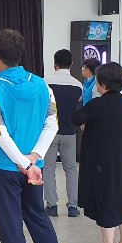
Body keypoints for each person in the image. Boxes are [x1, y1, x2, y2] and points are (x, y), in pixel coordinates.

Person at [0, 29, 66, 243]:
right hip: (34, 168)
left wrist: (23, 162)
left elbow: (0, 134)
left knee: (10, 225)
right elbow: (52, 124)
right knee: (37, 217)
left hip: (4, 168)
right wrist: (33, 158)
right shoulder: (43, 86)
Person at [72, 62, 122, 243]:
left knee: (105, 200)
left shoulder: (97, 104)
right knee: (121, 198)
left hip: (102, 161)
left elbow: (75, 118)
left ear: (103, 84)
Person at [43, 49, 83, 218]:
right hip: (70, 132)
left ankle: (52, 206)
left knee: (48, 169)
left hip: (50, 132)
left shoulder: (45, 83)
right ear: (71, 64)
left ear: (55, 63)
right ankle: (73, 206)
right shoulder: (78, 85)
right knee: (71, 169)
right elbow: (78, 110)